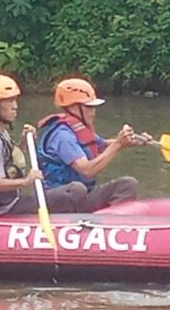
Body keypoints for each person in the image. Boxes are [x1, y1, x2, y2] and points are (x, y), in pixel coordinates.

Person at [0, 73, 86, 216]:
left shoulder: (1, 133)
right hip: (0, 208)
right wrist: (26, 181)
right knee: (68, 198)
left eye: (14, 101)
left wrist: (23, 143)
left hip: (10, 201)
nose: (15, 107)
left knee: (76, 188)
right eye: (9, 102)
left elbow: (7, 163)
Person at [37, 77, 150, 212]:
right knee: (77, 189)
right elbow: (87, 170)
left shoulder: (79, 128)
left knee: (128, 184)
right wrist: (118, 144)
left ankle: (109, 222)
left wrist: (133, 141)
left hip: (83, 195)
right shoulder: (63, 136)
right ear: (73, 107)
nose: (93, 111)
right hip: (62, 198)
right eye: (89, 107)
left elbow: (101, 145)